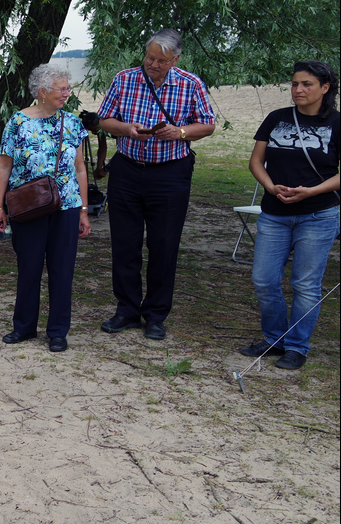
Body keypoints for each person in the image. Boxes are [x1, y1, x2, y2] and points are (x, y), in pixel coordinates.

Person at [96, 29, 216, 340]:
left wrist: (181, 133)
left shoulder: (191, 84)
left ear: (175, 59)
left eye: (161, 61)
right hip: (127, 169)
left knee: (164, 245)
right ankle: (126, 310)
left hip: (170, 173)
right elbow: (104, 120)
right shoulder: (124, 79)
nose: (153, 64)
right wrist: (126, 128)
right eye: (149, 57)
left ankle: (156, 315)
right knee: (125, 243)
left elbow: (208, 123)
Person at [240, 61, 339, 370]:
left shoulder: (337, 122)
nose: (298, 89)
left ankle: (297, 346)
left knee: (306, 284)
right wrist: (270, 187)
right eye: (295, 83)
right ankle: (274, 339)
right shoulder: (277, 119)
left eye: (307, 84)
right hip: (275, 213)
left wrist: (312, 191)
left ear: (325, 88)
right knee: (264, 280)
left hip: (318, 214)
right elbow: (256, 161)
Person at [0, 64, 92, 353]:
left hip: (67, 206)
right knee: (29, 267)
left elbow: (81, 169)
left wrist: (83, 210)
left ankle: (58, 332)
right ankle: (24, 327)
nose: (67, 93)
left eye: (67, 88)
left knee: (62, 270)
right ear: (42, 91)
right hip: (28, 206)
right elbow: (4, 165)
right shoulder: (18, 122)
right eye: (61, 89)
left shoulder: (72, 123)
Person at [78, 110, 109, 181]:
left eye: (94, 130)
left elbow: (119, 152)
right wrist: (99, 168)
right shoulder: (100, 129)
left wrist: (105, 169)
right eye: (91, 131)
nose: (93, 132)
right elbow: (102, 148)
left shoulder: (108, 127)